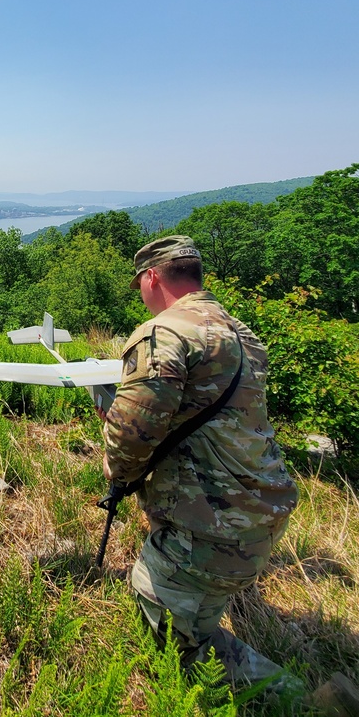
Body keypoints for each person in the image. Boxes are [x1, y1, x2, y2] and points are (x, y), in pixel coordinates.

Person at [101, 235, 299, 687]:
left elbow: (130, 440)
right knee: (199, 606)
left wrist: (117, 468)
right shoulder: (239, 331)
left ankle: (301, 698)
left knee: (171, 634)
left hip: (212, 525)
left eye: (141, 285)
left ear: (153, 277)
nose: (143, 297)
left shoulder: (163, 332)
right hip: (261, 513)